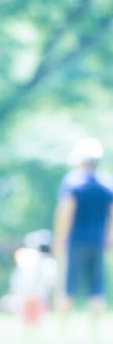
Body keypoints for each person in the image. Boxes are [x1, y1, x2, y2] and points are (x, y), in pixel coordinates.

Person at [52, 137, 113, 320]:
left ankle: (63, 327)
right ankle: (96, 331)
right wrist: (109, 238)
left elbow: (66, 212)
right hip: (97, 241)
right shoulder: (107, 184)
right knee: (97, 288)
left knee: (69, 286)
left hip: (76, 241)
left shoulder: (73, 182)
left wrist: (59, 237)